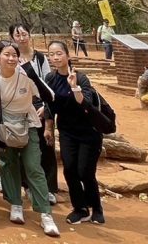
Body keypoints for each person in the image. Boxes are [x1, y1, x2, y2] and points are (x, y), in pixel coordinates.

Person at [0, 40, 59, 237]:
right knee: (8, 165)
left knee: (33, 166)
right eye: (6, 54)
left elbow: (49, 96)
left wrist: (32, 73)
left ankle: (45, 214)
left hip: (28, 123)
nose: (11, 58)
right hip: (4, 126)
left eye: (14, 55)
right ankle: (15, 203)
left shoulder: (25, 74)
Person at [43, 40, 105, 225]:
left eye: (59, 53)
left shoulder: (81, 77)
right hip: (67, 131)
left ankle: (97, 208)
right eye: (52, 54)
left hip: (89, 132)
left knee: (85, 171)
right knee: (69, 170)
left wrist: (74, 86)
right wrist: (48, 128)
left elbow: (85, 102)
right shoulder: (50, 79)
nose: (55, 57)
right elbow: (49, 105)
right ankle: (80, 208)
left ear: (67, 55)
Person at [10, 23, 57, 202]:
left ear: (29, 35)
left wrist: (45, 106)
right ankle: (27, 185)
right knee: (23, 143)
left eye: (24, 34)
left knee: (46, 145)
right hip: (20, 103)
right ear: (12, 37)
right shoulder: (12, 57)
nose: (21, 38)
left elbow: (47, 84)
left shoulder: (39, 58)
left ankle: (49, 187)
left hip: (40, 103)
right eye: (17, 35)